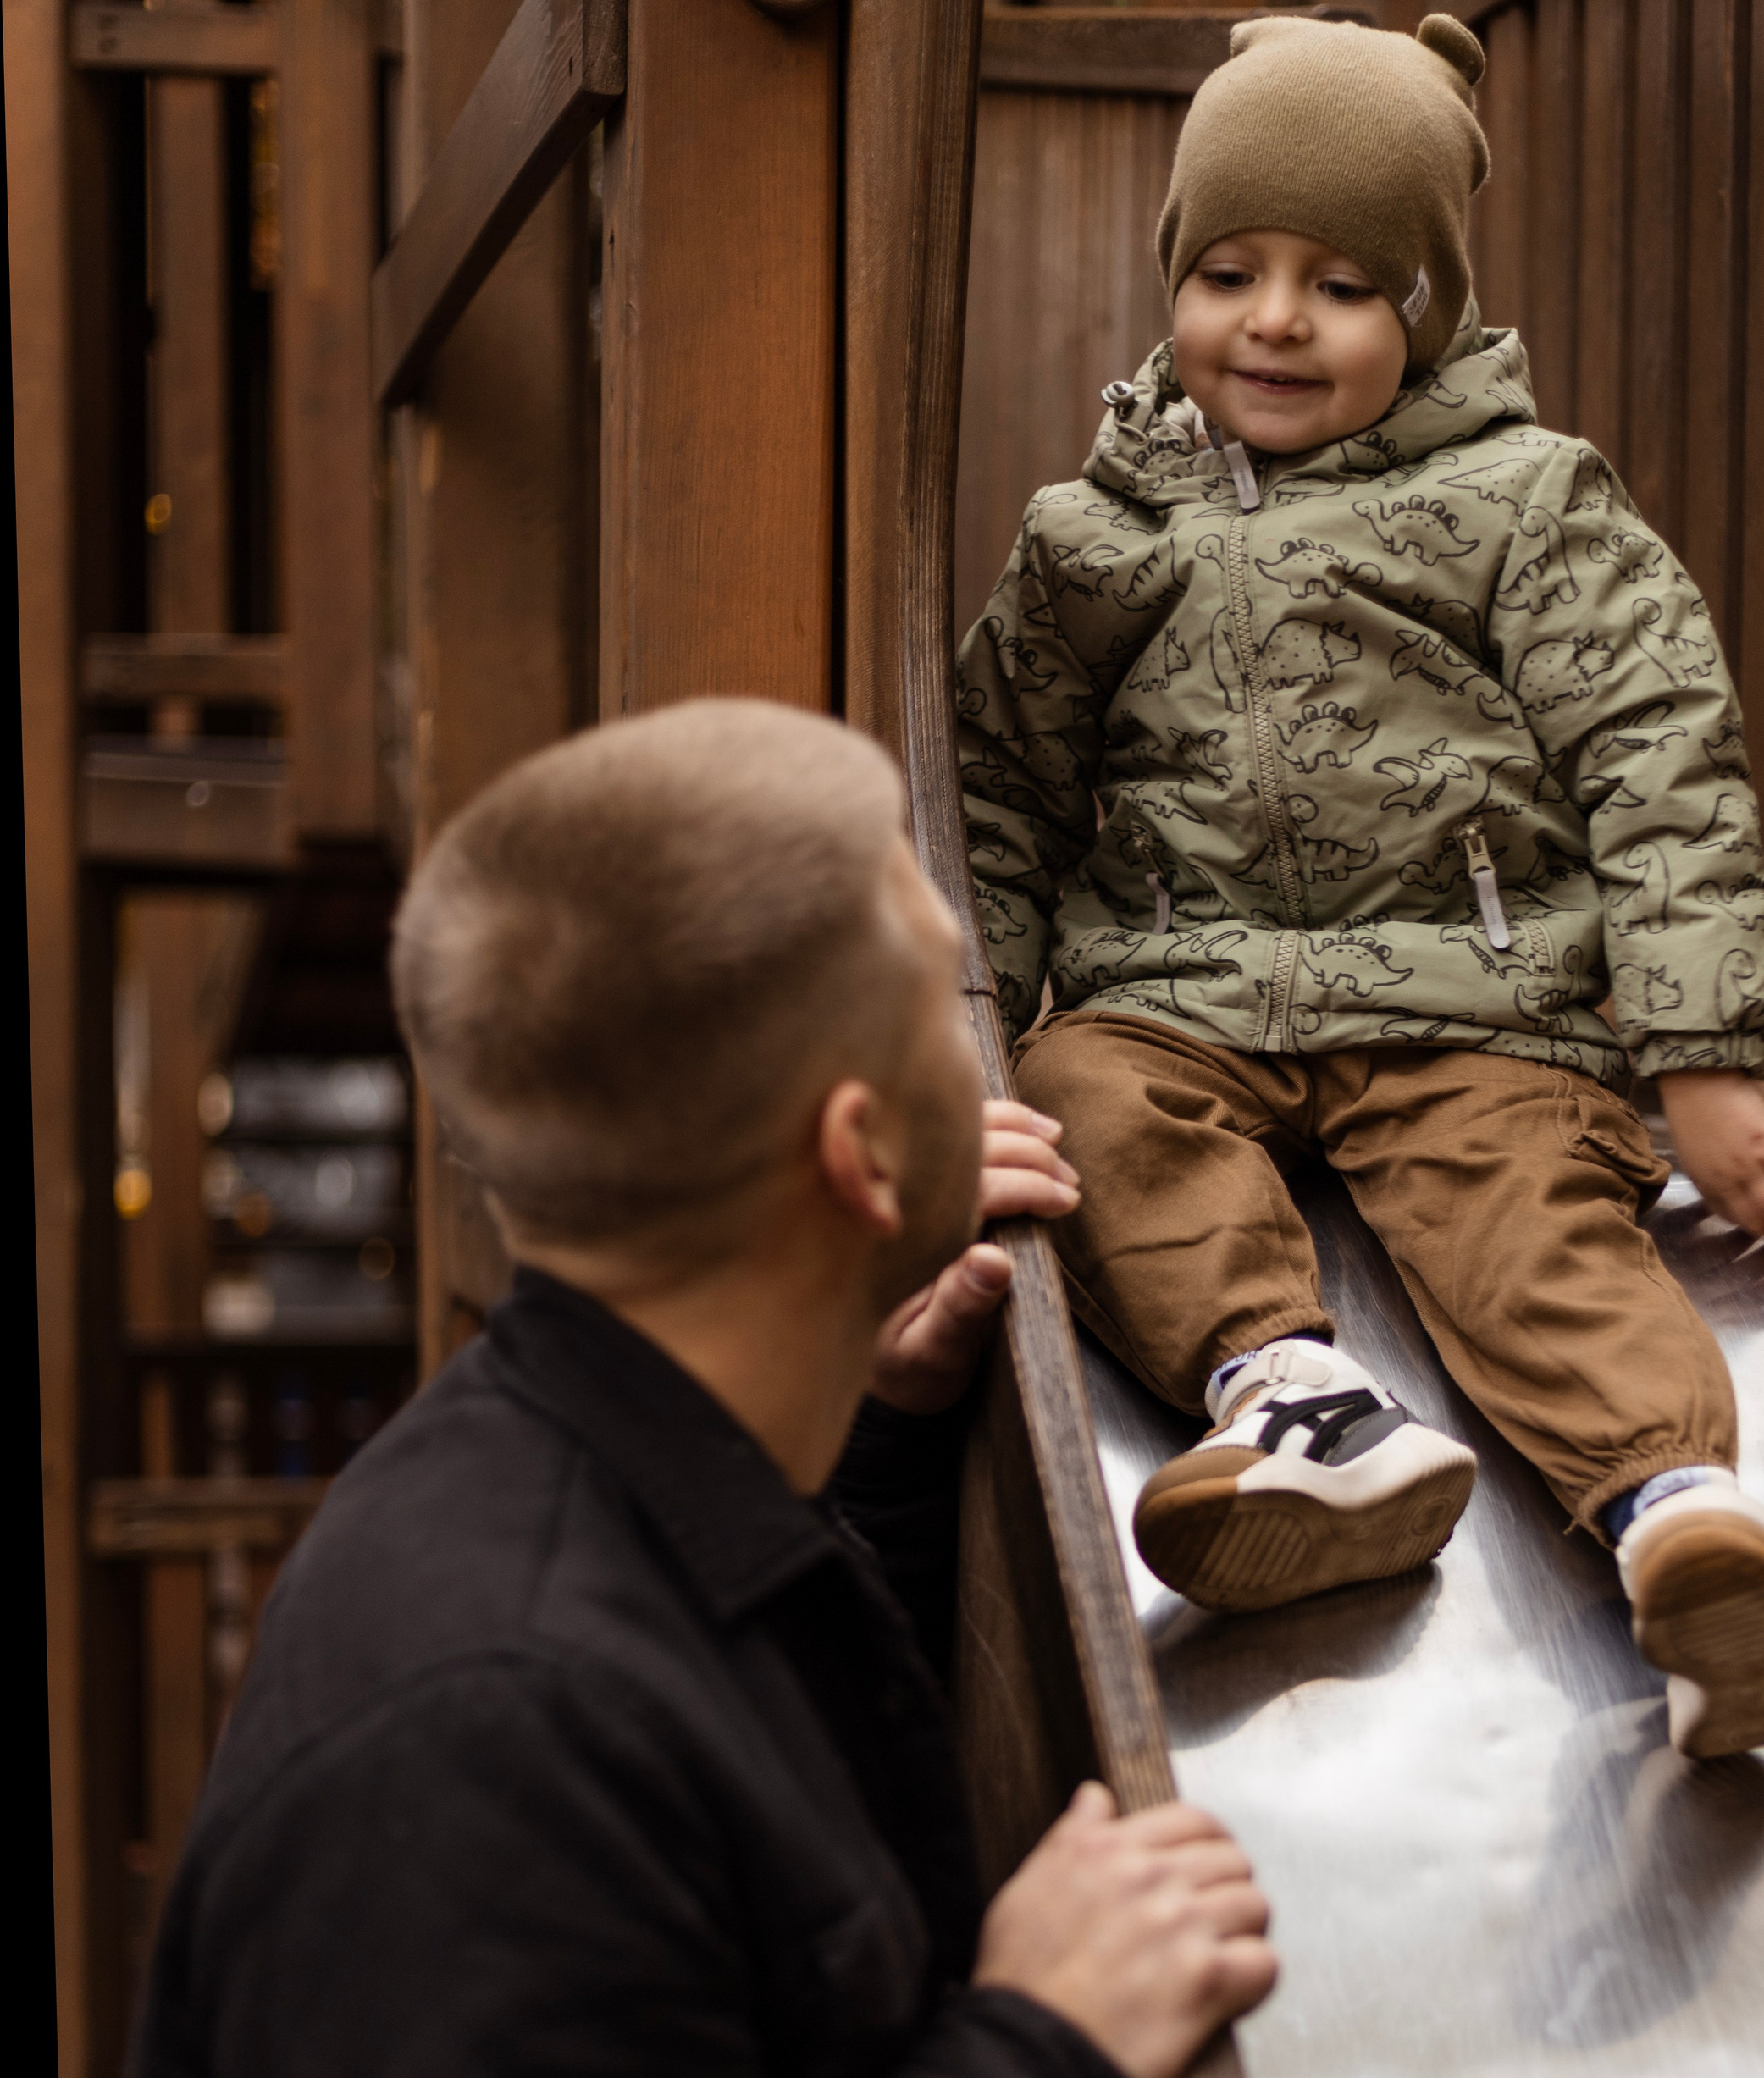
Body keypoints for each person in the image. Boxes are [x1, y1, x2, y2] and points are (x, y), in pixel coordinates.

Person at [130, 700, 1275, 2078]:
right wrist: (1039, 2039)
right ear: (858, 1151)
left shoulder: (604, 1470)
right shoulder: (483, 1744)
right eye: (943, 1008)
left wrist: (885, 1436)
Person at [956, 10, 1764, 1760]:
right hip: (1181, 988)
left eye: (1345, 284)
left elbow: (1657, 747)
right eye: (1227, 269)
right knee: (1077, 1105)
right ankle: (1294, 1402)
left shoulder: (1518, 503)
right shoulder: (1093, 534)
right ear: (1172, 280)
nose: (1274, 319)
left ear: (1424, 311)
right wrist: (952, 1033)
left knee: (1526, 1221)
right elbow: (998, 784)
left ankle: (1680, 1523)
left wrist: (1701, 1046)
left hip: (1475, 1005)